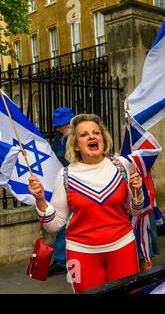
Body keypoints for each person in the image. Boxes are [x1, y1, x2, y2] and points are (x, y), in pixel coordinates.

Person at [28, 114, 144, 293]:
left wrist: (137, 192)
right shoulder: (65, 176)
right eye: (84, 135)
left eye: (96, 132)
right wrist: (40, 200)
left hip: (123, 247)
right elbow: (54, 225)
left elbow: (134, 211)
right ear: (75, 144)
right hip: (81, 254)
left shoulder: (122, 166)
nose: (91, 136)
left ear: (103, 140)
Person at [46, 107, 75, 276]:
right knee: (63, 222)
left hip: (74, 185)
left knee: (65, 222)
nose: (57, 129)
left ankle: (61, 259)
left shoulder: (76, 138)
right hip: (62, 185)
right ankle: (61, 258)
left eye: (61, 126)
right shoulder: (58, 139)